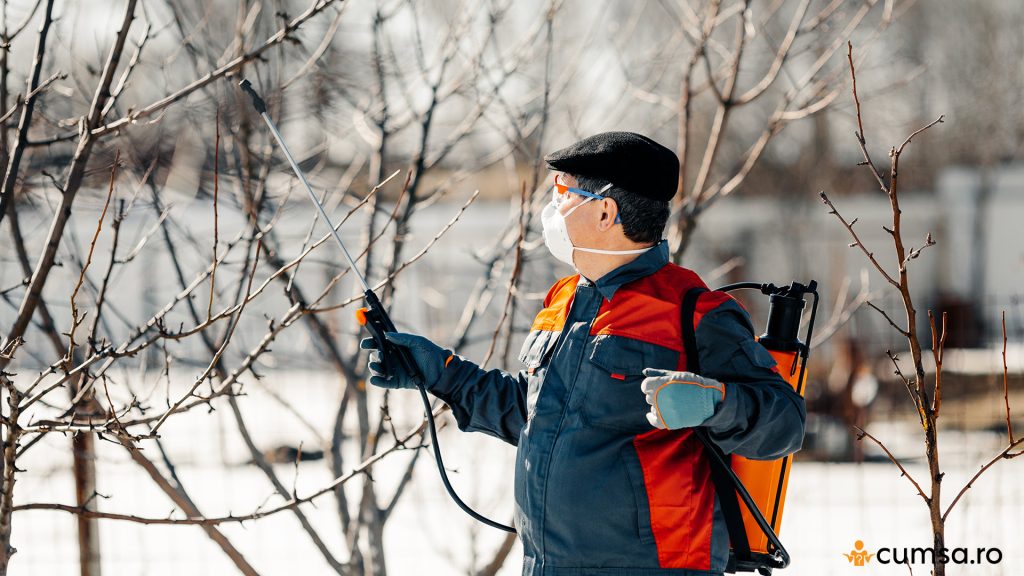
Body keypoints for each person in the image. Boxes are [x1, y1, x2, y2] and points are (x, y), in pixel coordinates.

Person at [362, 131, 806, 576]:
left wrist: (716, 403)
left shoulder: (695, 313)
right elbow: (535, 412)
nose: (551, 210)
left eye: (562, 193)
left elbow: (785, 423)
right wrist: (439, 373)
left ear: (606, 211)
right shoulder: (563, 299)